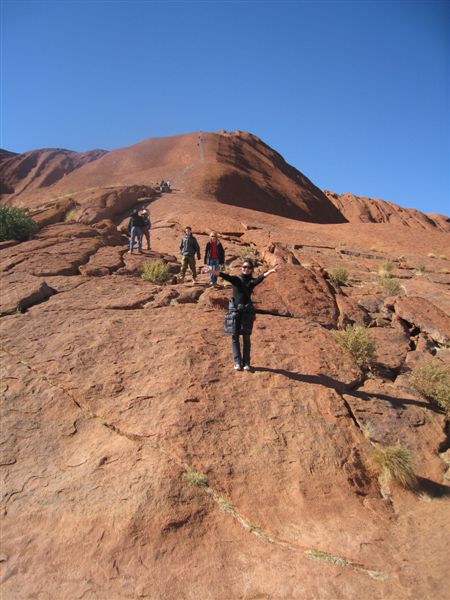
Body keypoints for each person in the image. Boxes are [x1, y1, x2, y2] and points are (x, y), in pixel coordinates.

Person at [212, 260, 278, 371]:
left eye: (248, 267)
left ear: (251, 269)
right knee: (235, 337)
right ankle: (237, 362)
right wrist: (211, 271)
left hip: (246, 312)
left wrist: (271, 271)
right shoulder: (236, 280)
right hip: (235, 312)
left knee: (246, 338)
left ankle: (246, 362)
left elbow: (261, 278)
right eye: (244, 267)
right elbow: (223, 275)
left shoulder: (251, 282)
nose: (245, 269)